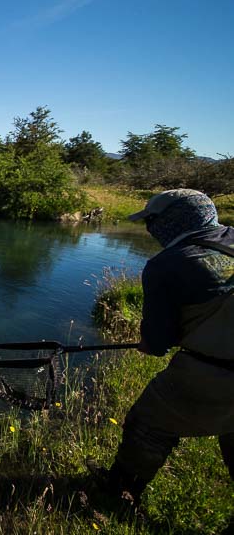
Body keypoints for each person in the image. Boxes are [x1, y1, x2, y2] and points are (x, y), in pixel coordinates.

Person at [106, 188, 234, 505]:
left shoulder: (168, 264)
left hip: (216, 372)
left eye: (152, 221)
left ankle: (119, 496)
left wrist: (149, 342)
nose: (149, 229)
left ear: (172, 221)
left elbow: (159, 344)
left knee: (148, 424)